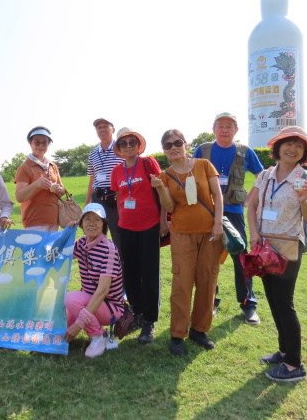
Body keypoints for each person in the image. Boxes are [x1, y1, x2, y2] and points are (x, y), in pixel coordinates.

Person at [247, 126, 307, 382]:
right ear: (277, 148)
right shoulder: (265, 175)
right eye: (288, 144)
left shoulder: (305, 178)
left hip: (288, 247)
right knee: (274, 302)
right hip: (265, 246)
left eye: (299, 146)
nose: (292, 149)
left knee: (285, 304)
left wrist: (304, 200)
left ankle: (293, 365)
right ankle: (284, 350)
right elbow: (252, 205)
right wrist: (253, 233)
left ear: (304, 152)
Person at [152, 129, 224, 355]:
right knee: (181, 284)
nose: (173, 147)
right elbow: (170, 207)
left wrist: (218, 223)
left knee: (207, 280)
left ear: (185, 144)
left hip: (209, 233)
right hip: (181, 234)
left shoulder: (203, 165)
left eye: (177, 142)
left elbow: (217, 195)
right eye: (167, 145)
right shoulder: (165, 175)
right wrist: (161, 188)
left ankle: (199, 329)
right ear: (164, 151)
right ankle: (177, 333)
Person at [193, 112, 264, 325]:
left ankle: (248, 305)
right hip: (206, 212)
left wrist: (249, 199)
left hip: (233, 212)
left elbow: (261, 175)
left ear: (236, 130)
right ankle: (210, 302)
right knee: (207, 259)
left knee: (241, 258)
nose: (224, 129)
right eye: (220, 126)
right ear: (213, 129)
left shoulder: (245, 151)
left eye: (229, 126)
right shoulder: (202, 150)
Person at [109, 127, 166, 344]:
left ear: (138, 144)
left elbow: (161, 191)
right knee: (130, 274)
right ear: (119, 148)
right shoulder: (116, 172)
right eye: (123, 143)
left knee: (149, 274)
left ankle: (150, 321)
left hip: (150, 226)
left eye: (132, 141)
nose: (129, 146)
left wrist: (163, 220)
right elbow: (119, 198)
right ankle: (137, 313)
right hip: (126, 227)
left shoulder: (148, 163)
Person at [64, 203, 125, 358]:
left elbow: (103, 291)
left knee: (71, 299)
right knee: (61, 331)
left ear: (103, 224)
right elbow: (61, 255)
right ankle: (89, 330)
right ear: (81, 223)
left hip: (111, 307)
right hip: (90, 300)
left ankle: (99, 335)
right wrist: (67, 233)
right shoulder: (81, 244)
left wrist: (79, 324)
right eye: (87, 219)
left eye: (97, 220)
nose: (91, 223)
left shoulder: (109, 250)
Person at [15, 126, 66, 231]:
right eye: (37, 142)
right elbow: (19, 197)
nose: (41, 146)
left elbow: (62, 191)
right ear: (30, 143)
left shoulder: (52, 166)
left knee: (52, 248)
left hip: (54, 219)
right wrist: (36, 185)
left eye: (45, 142)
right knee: (36, 248)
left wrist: (58, 189)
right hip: (34, 221)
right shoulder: (24, 167)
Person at [85, 118, 125, 248]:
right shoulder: (93, 154)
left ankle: (120, 267)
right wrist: (87, 204)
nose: (102, 130)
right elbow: (92, 180)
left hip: (115, 197)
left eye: (105, 126)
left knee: (118, 235)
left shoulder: (121, 150)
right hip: (98, 198)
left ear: (112, 130)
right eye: (99, 127)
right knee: (96, 235)